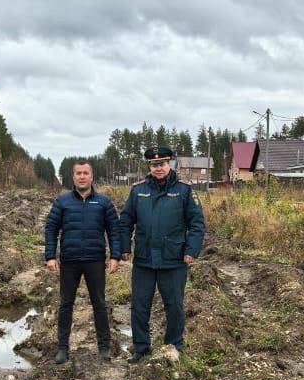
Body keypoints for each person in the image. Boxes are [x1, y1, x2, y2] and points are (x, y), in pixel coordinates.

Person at [119, 145, 205, 362]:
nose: (158, 168)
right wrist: (124, 248)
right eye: (154, 164)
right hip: (144, 260)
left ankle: (174, 344)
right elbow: (126, 221)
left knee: (174, 305)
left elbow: (196, 224)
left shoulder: (184, 191)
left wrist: (191, 250)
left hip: (174, 259)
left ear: (170, 164)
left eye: (162, 163)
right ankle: (141, 347)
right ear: (149, 166)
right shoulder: (138, 191)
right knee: (139, 305)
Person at [44, 160, 121, 364]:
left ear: (91, 176)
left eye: (85, 173)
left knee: (100, 304)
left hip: (95, 260)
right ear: (73, 177)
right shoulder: (63, 202)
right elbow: (51, 228)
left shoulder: (103, 202)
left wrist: (115, 256)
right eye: (78, 173)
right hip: (69, 261)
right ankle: (62, 348)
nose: (82, 176)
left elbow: (114, 230)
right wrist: (50, 256)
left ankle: (104, 348)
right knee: (66, 304)